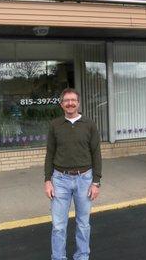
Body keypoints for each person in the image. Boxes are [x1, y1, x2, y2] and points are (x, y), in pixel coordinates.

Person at [44, 88, 102, 260]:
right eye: (66, 100)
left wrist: (96, 182)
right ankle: (58, 257)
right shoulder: (55, 125)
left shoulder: (89, 125)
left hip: (85, 179)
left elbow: (96, 153)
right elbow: (50, 153)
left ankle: (82, 256)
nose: (70, 103)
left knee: (83, 224)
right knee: (58, 226)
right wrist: (48, 180)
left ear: (78, 103)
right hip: (59, 179)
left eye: (73, 100)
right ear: (62, 104)